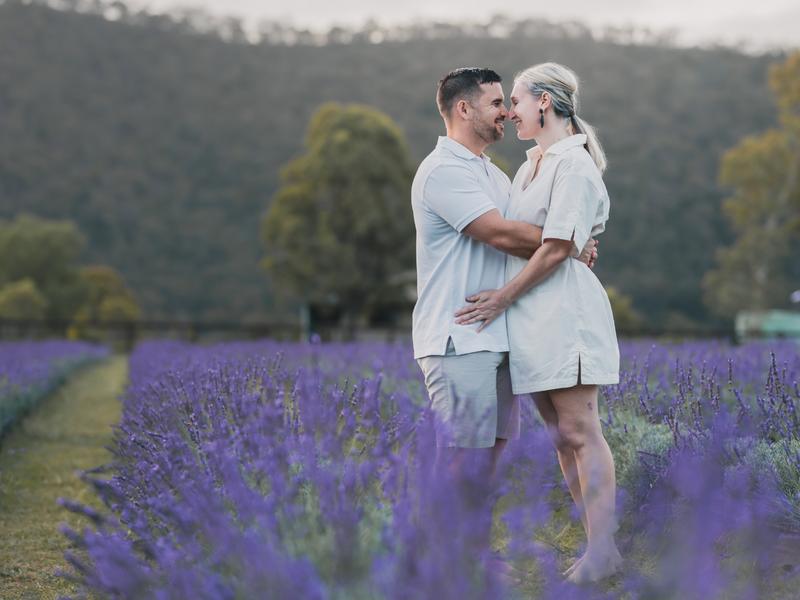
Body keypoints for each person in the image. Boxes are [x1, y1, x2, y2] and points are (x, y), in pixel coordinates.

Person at [411, 67, 597, 579]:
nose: (506, 111)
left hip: (498, 333)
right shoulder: (443, 170)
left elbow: (530, 236)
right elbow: (499, 234)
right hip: (458, 334)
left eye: (508, 101)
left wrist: (567, 239)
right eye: (496, 102)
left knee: (487, 455)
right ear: (464, 109)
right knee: (459, 454)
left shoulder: (492, 172)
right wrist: (568, 241)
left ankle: (471, 556)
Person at [454, 62, 622, 583]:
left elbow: (555, 250)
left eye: (517, 103)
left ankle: (604, 550)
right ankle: (599, 549)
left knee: (580, 430)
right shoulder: (530, 166)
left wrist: (501, 297)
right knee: (560, 437)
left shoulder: (573, 165)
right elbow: (532, 235)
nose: (509, 112)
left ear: (544, 103)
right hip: (533, 318)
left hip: (564, 313)